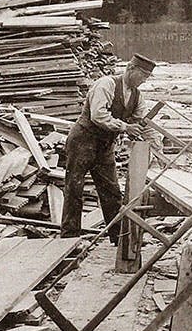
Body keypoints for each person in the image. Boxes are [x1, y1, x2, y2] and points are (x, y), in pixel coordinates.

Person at [61, 53, 161, 243]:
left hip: (105, 145)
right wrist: (125, 127)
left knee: (112, 191)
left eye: (147, 77)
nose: (144, 81)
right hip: (83, 140)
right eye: (143, 76)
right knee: (75, 188)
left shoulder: (137, 96)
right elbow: (98, 115)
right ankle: (69, 238)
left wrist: (155, 144)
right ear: (130, 69)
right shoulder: (106, 84)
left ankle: (118, 237)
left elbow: (142, 123)